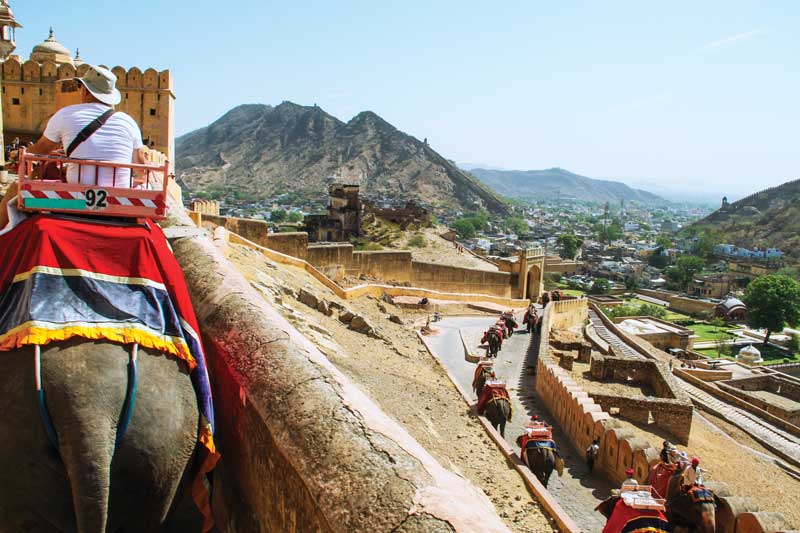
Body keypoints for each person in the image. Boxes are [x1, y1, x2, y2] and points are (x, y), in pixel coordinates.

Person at [0, 65, 149, 229]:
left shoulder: (66, 114)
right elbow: (141, 164)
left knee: (16, 187)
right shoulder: (128, 121)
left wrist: (18, 154)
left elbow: (41, 150)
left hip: (77, 198)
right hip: (118, 198)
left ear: (85, 90)